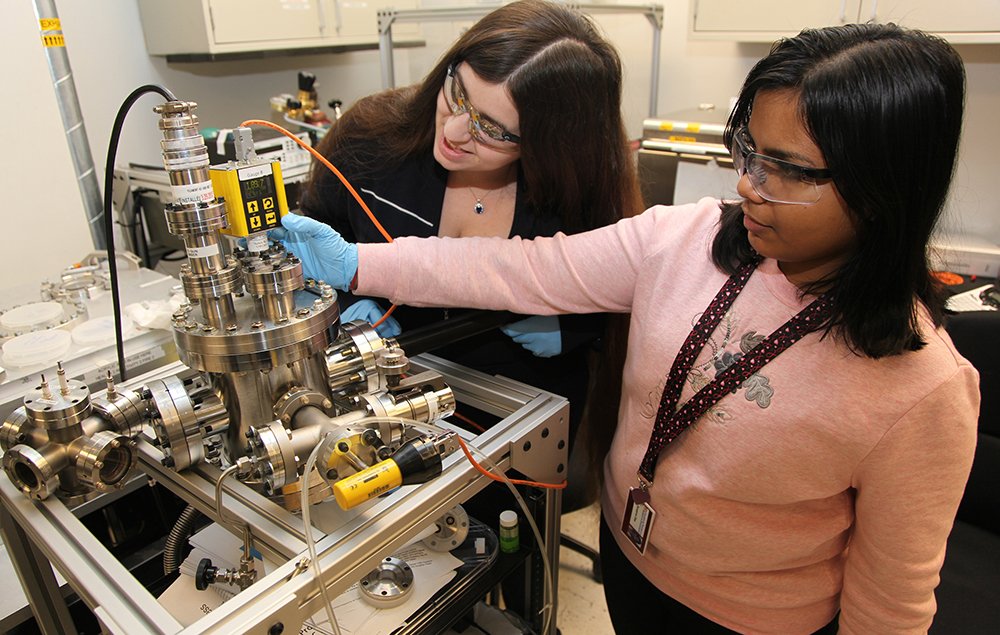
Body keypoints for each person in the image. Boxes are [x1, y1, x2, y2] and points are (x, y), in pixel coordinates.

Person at [277, 22, 980, 635]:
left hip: (756, 617)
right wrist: (360, 263)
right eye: (748, 149)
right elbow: (513, 270)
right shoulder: (682, 238)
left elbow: (891, 605)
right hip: (631, 560)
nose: (746, 184)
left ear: (884, 189)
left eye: (785, 170)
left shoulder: (924, 390)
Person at [286, 0, 642, 455]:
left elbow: (616, 283)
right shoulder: (369, 142)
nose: (454, 131)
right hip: (383, 405)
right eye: (458, 93)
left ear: (551, 144)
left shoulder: (575, 189)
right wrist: (342, 304)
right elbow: (312, 245)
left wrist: (574, 327)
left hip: (518, 418)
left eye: (491, 129)